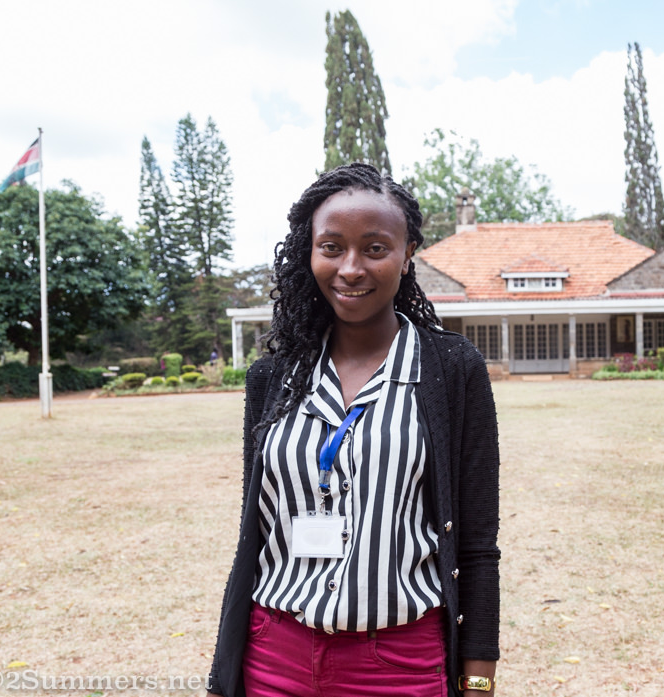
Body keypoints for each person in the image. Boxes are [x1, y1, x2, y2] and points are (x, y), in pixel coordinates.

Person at [206, 163, 500, 697]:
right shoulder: (271, 378)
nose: (350, 268)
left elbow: (477, 543)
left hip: (401, 661)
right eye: (332, 246)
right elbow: (260, 525)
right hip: (274, 656)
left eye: (375, 248)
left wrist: (478, 675)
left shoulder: (452, 370)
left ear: (408, 253)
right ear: (309, 251)